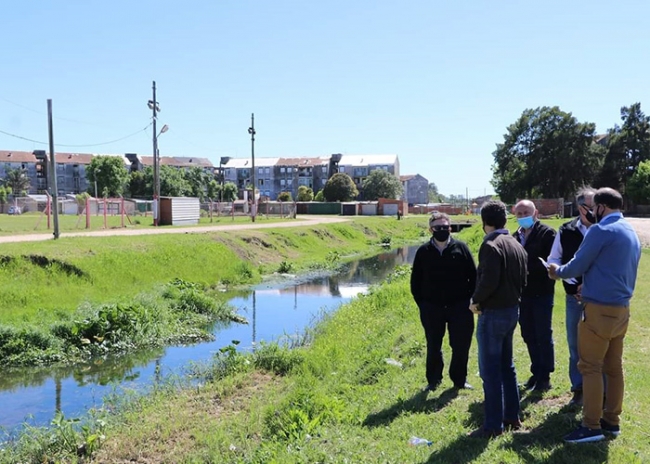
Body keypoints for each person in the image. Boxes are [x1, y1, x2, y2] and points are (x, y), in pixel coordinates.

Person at [548, 188, 641, 443]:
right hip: (621, 310)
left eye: (594, 206)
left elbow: (576, 265)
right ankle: (611, 421)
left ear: (600, 207)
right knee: (613, 368)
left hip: (598, 309)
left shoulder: (601, 230)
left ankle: (590, 426)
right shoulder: (629, 230)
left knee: (589, 367)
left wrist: (556, 271)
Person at [469, 201, 528, 438]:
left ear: (485, 222)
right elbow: (524, 278)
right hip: (512, 310)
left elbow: (488, 280)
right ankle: (512, 416)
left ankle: (493, 426)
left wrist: (475, 300)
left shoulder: (491, 245)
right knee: (507, 366)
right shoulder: (516, 243)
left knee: (490, 371)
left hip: (492, 313)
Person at [410, 212, 477, 391]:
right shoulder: (423, 252)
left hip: (460, 306)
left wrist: (471, 300)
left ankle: (459, 380)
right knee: (433, 344)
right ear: (431, 229)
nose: (442, 230)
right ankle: (433, 380)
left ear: (450, 228)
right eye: (438, 227)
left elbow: (474, 276)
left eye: (445, 227)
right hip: (432, 307)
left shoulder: (461, 248)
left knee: (461, 345)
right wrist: (423, 304)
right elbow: (415, 281)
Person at [547, 187, 596, 406]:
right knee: (575, 345)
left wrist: (589, 285)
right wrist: (573, 283)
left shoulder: (604, 229)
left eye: (597, 206)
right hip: (574, 299)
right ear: (580, 207)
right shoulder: (566, 230)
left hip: (598, 298)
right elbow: (554, 259)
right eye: (590, 206)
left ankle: (599, 392)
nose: (595, 210)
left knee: (599, 346)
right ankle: (578, 389)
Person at [513, 200, 557, 392]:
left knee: (542, 333)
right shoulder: (515, 236)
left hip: (542, 291)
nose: (523, 216)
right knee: (528, 332)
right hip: (523, 294)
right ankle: (536, 371)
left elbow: (549, 262)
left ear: (536, 213)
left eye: (526, 212)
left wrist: (524, 270)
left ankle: (545, 376)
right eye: (519, 213)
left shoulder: (547, 234)